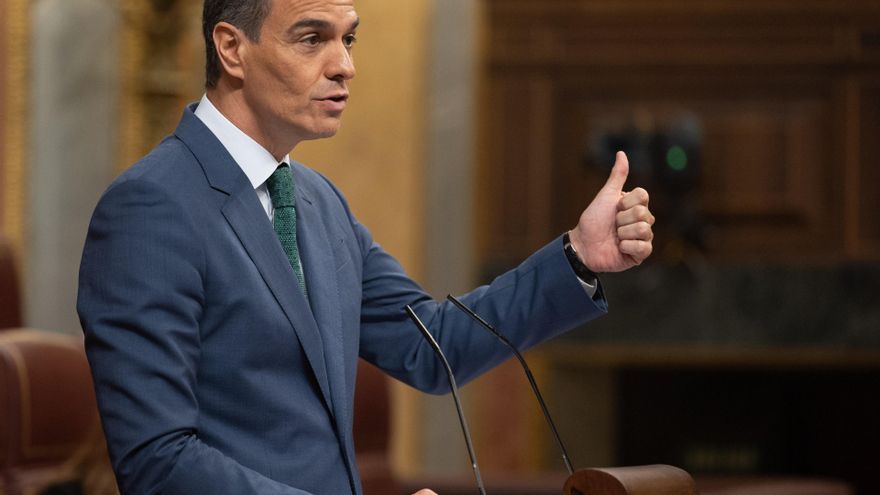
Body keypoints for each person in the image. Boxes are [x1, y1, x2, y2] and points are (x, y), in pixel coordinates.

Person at [76, 0, 655, 494]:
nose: (346, 66)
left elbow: (433, 346)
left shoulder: (317, 200)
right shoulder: (150, 207)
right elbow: (157, 460)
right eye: (312, 38)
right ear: (232, 49)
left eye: (349, 38)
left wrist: (577, 256)